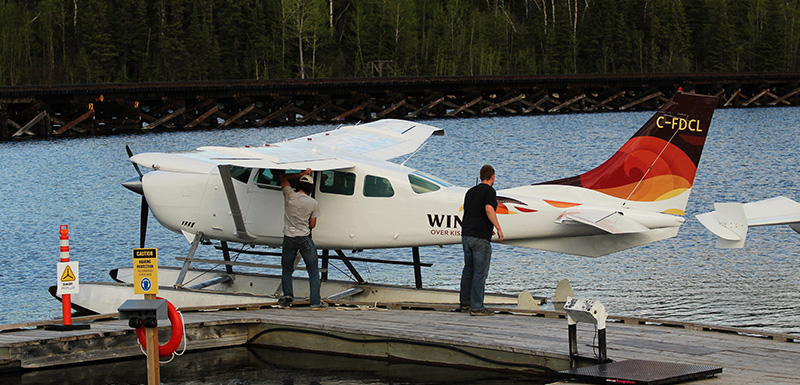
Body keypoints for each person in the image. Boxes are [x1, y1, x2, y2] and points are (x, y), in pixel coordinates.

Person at [278, 168, 326, 310]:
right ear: (311, 188)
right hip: (304, 238)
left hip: (289, 238)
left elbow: (283, 178)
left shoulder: (289, 196)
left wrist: (301, 173)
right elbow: (312, 225)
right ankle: (315, 302)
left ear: (299, 185)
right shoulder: (313, 203)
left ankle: (288, 297)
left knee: (287, 269)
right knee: (312, 271)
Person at [459, 165, 503, 316]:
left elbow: (471, 213)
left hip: (466, 235)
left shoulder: (470, 191)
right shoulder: (490, 191)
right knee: (480, 272)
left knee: (468, 269)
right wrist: (498, 227)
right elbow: (488, 209)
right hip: (480, 239)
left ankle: (465, 303)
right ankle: (477, 307)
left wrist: (487, 226)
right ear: (493, 177)